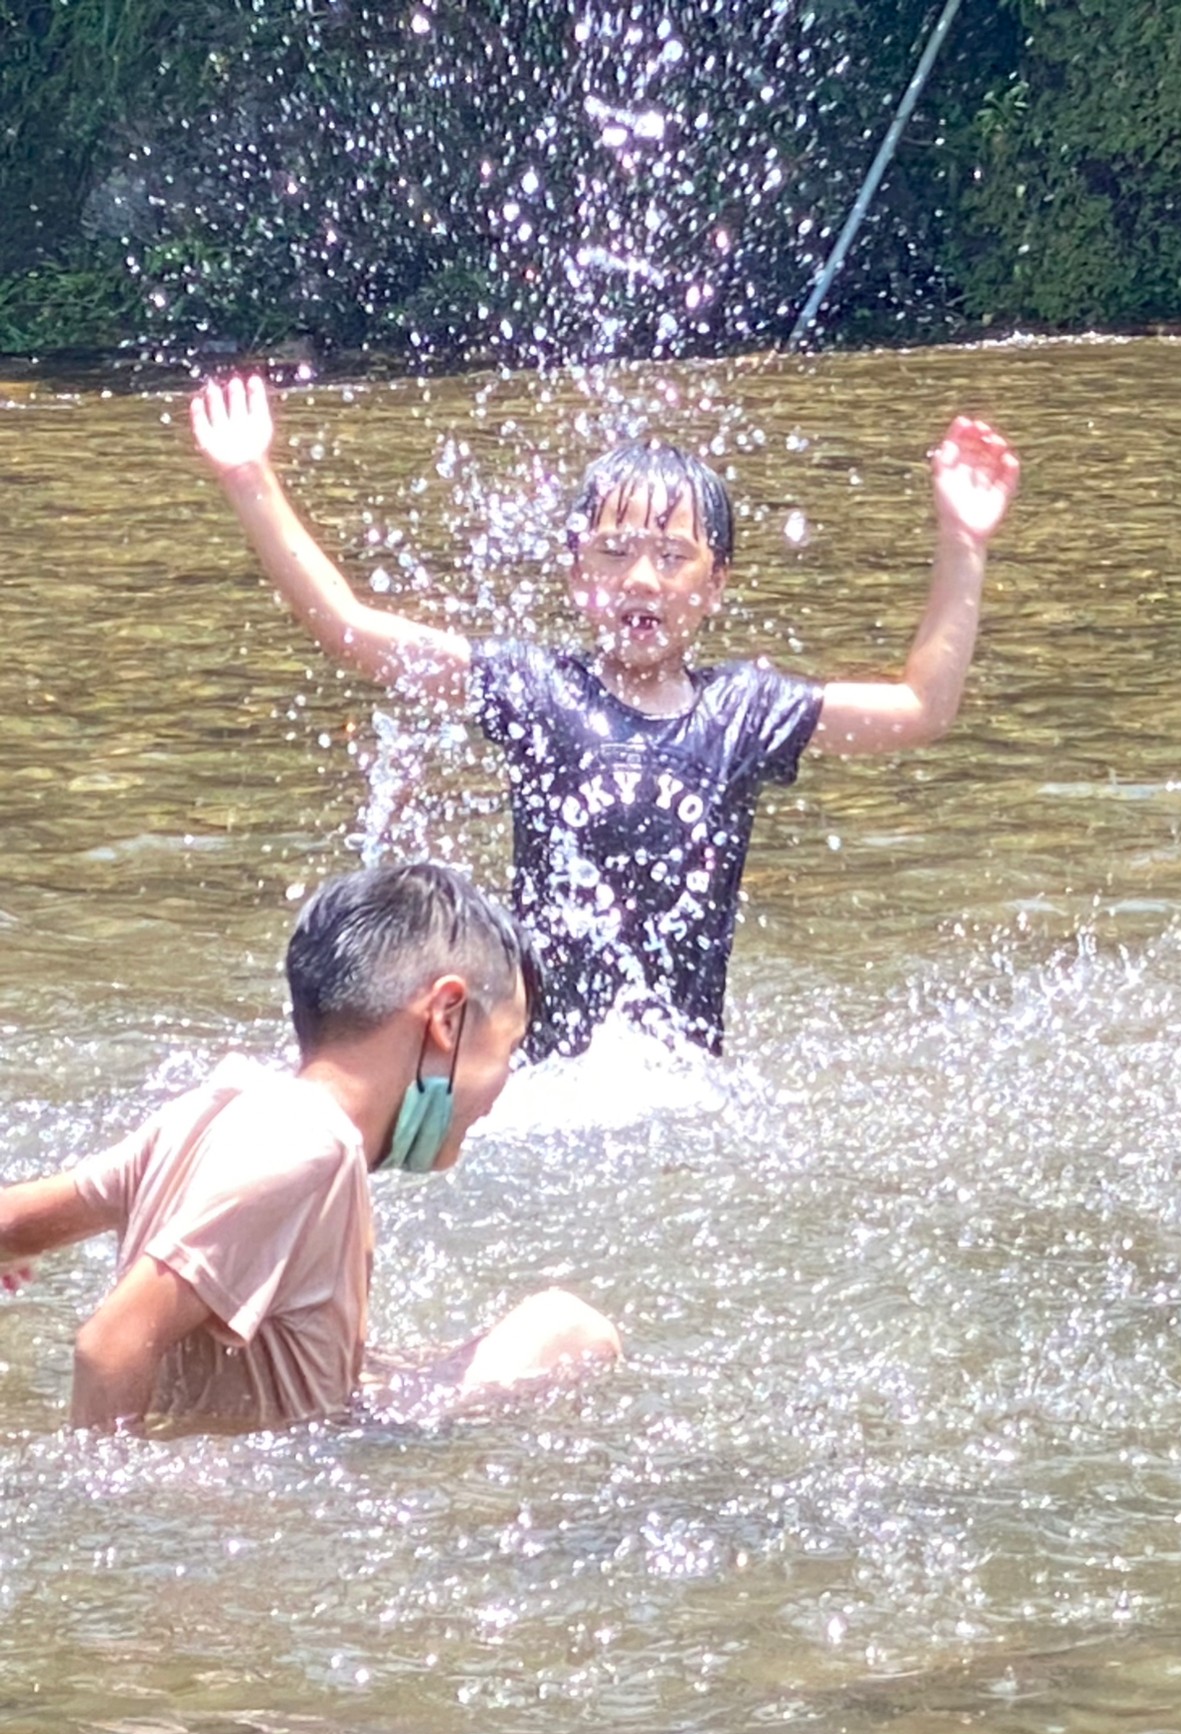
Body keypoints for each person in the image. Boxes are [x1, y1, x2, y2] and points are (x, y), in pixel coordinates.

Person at [191, 373, 1021, 1057]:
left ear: (715, 583)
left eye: (673, 556)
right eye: (614, 552)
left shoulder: (743, 712)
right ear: (575, 572)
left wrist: (964, 540)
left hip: (682, 1081)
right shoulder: (535, 691)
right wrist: (249, 477)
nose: (641, 580)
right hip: (544, 1083)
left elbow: (922, 708)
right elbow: (350, 629)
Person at [0, 863, 620, 1435]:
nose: (504, 1084)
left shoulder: (222, 1105)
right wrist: (124, 1498)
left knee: (392, 1361)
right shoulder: (310, 1149)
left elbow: (10, 1225)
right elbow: (108, 1344)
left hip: (280, 1430)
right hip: (271, 1475)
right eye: (510, 1047)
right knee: (567, 1329)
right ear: (447, 1017)